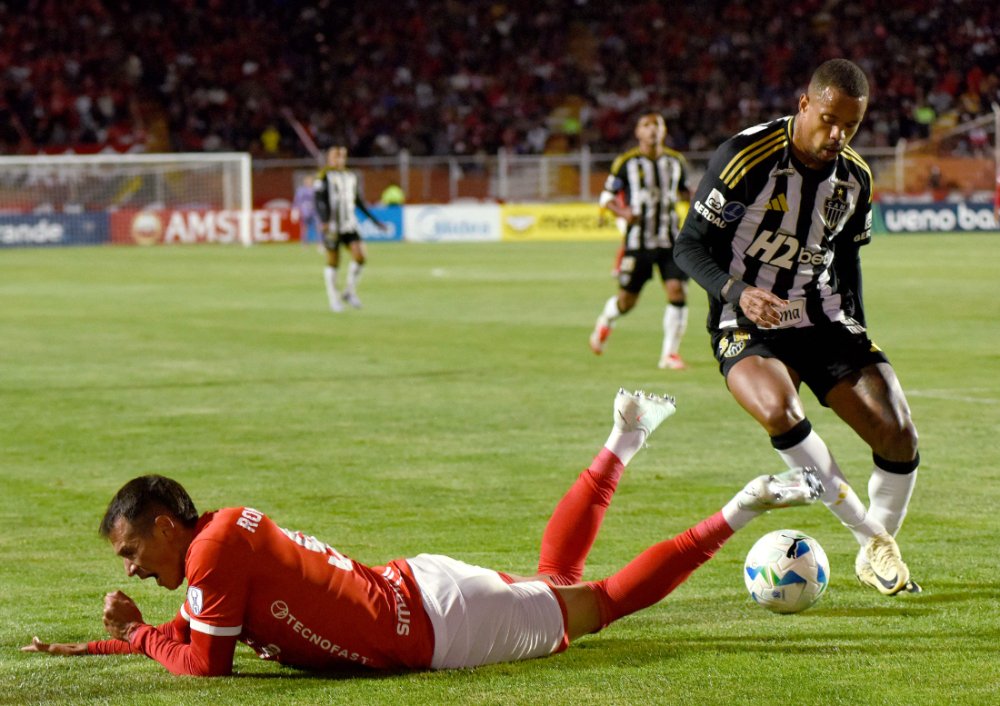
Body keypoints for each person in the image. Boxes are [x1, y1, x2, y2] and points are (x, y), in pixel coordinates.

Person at [22, 389, 822, 676]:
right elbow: (197, 626)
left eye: (131, 550)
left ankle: (741, 507)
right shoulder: (217, 543)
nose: (129, 567)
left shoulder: (213, 551)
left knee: (600, 605)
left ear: (166, 525)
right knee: (552, 577)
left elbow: (204, 664)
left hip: (437, 629)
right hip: (422, 589)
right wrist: (110, 641)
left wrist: (138, 641)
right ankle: (625, 439)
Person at [673, 59, 921, 596]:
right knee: (779, 410)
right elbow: (687, 247)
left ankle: (875, 548)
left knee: (899, 434)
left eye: (850, 126)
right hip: (748, 316)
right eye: (829, 119)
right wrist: (738, 292)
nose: (837, 135)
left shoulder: (855, 177)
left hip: (825, 315)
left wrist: (860, 334)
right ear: (804, 104)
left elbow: (850, 258)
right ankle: (872, 537)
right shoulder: (746, 158)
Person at [588, 112, 692, 370]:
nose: (652, 130)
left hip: (671, 241)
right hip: (638, 243)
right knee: (627, 302)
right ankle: (606, 320)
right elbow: (606, 198)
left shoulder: (676, 161)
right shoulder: (626, 163)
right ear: (638, 132)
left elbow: (687, 193)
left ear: (664, 130)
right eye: (646, 125)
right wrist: (623, 213)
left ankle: (669, 354)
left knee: (677, 291)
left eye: (657, 124)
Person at [314, 146, 386, 312]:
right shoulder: (323, 177)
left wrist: (375, 221)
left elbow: (358, 202)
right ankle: (333, 299)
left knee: (360, 256)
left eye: (342, 157)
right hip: (332, 226)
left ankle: (349, 291)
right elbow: (319, 201)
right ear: (329, 159)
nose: (339, 160)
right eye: (335, 157)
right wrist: (324, 220)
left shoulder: (350, 176)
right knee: (333, 262)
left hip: (349, 225)